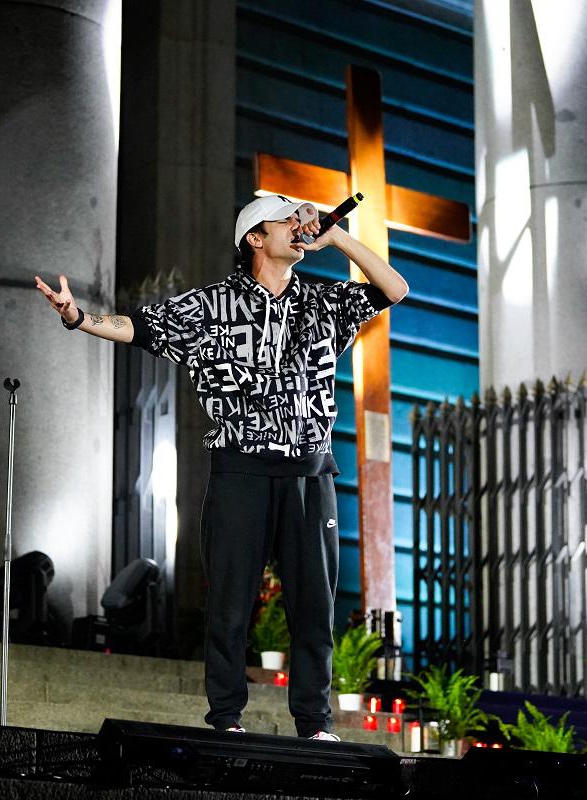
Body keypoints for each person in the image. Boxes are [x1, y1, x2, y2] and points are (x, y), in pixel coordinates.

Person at [35, 194, 408, 740]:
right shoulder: (210, 306)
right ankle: (226, 720)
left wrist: (338, 238)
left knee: (313, 607)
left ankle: (314, 725)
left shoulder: (324, 302)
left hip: (310, 475)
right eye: (285, 219)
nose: (299, 225)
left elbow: (395, 290)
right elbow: (136, 327)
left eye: (300, 219)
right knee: (230, 605)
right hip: (241, 472)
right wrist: (76, 317)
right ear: (254, 238)